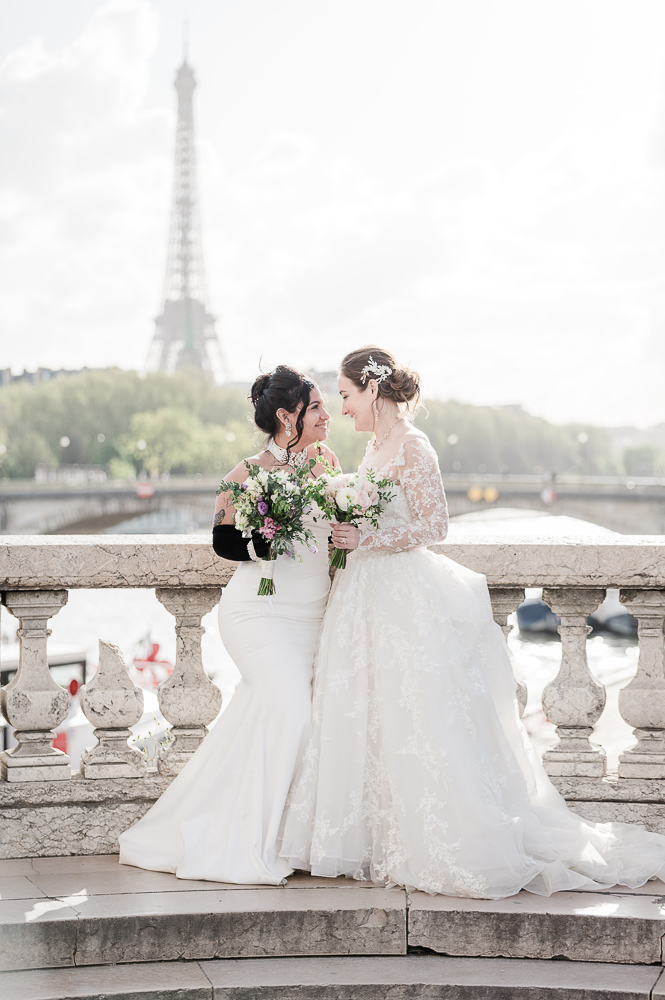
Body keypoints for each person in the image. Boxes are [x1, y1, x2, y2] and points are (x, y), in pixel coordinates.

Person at [279, 346, 665, 898]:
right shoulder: (373, 446)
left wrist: (369, 537)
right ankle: (374, 834)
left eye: (344, 395)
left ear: (371, 388)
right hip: (365, 593)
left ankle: (430, 835)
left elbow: (435, 525)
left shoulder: (414, 444)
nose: (341, 408)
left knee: (415, 714)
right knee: (367, 711)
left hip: (399, 593)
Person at [119, 366, 338, 885]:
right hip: (259, 613)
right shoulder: (244, 473)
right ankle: (247, 843)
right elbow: (222, 541)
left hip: (312, 614)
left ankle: (276, 834)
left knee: (278, 718)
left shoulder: (328, 465)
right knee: (289, 710)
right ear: (288, 416)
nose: (328, 416)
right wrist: (264, 538)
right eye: (317, 407)